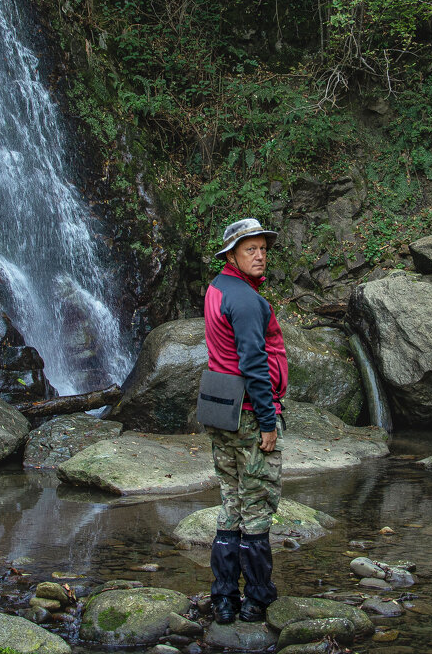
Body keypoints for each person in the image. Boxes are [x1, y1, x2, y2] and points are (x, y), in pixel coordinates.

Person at [203, 217, 288, 624]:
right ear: (232, 255)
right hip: (252, 415)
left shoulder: (217, 288)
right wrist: (269, 422)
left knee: (230, 501)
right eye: (250, 249)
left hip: (222, 410)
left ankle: (223, 597)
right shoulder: (247, 300)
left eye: (262, 248)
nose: (259, 255)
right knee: (255, 505)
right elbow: (254, 363)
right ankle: (256, 598)